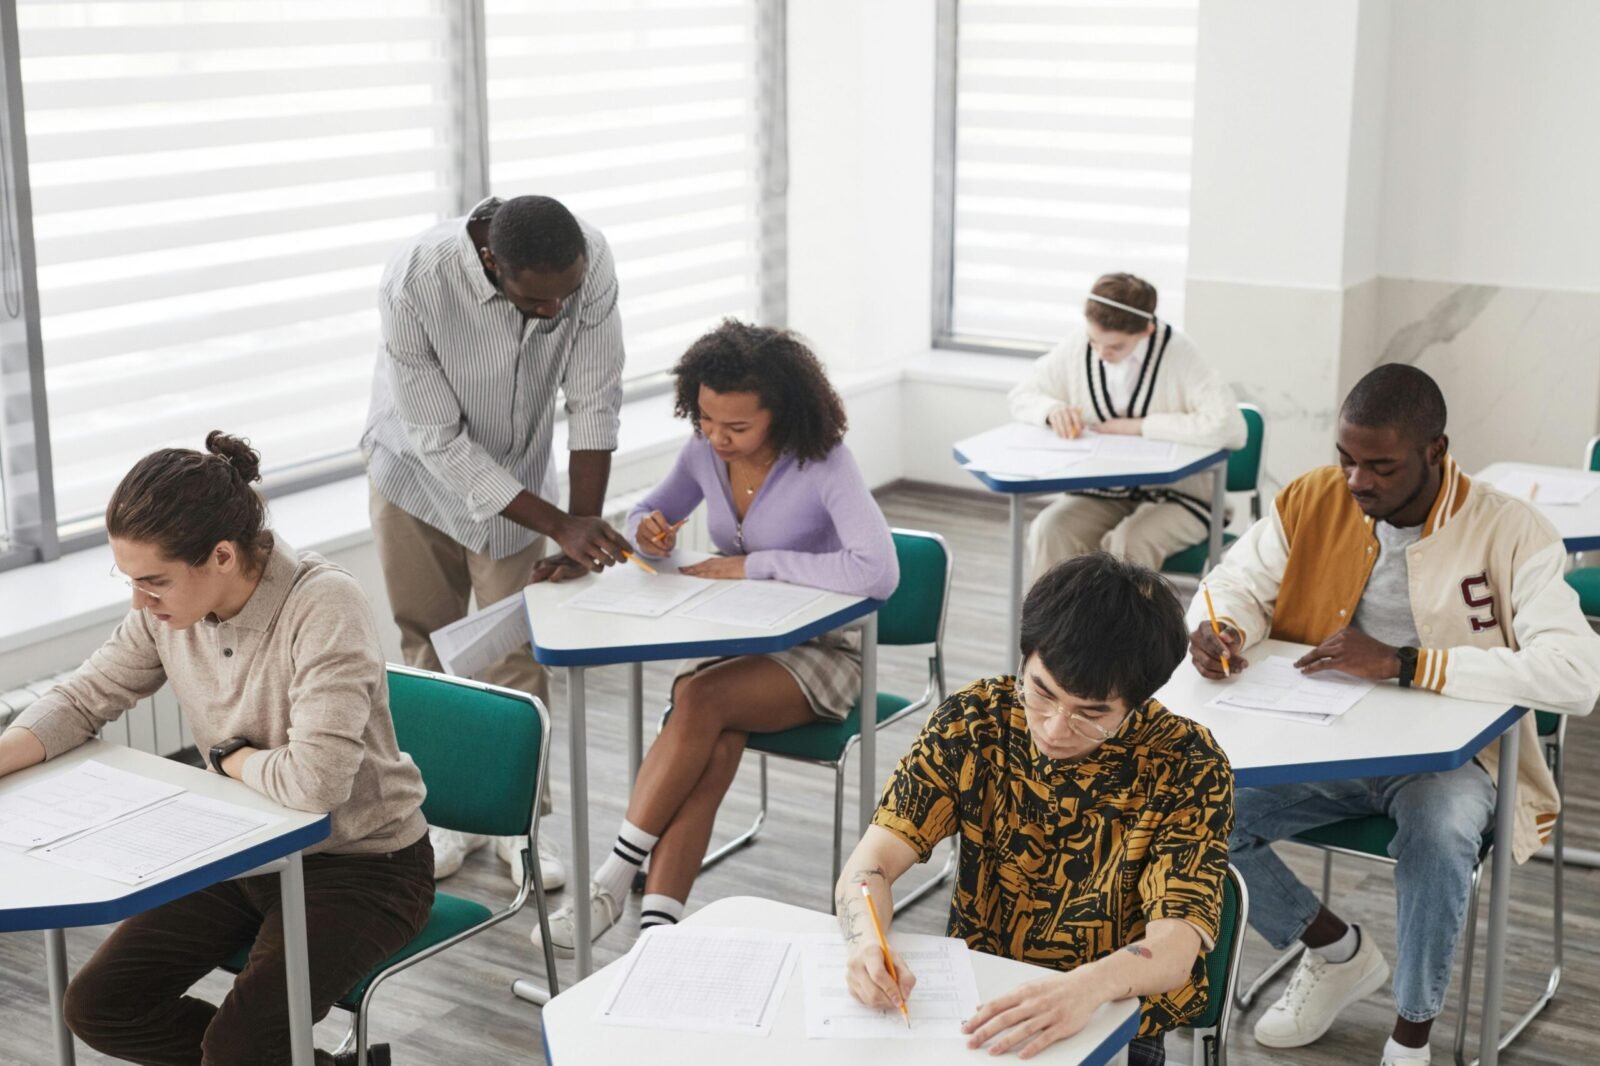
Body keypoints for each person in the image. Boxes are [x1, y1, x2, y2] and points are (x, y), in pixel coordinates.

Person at [1188, 364, 1600, 1066]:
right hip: (1321, 740)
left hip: (1455, 762)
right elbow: (1234, 583)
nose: (1357, 483)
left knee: (1439, 831)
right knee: (1196, 805)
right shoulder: (1311, 500)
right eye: (1346, 460)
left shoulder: (1511, 530)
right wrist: (1222, 626)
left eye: (1380, 466)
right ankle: (1335, 949)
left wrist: (1409, 663)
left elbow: (1577, 674)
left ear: (1435, 451)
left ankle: (1412, 1035)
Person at [0, 433, 433, 1066]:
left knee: (239, 1049)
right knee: (99, 1007)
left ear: (222, 556)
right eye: (130, 581)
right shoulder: (164, 612)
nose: (139, 602)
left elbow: (317, 783)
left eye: (153, 583)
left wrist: (231, 758)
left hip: (363, 866)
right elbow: (85, 697)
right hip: (240, 847)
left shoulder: (323, 605)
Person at [533, 319, 899, 956]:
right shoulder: (703, 453)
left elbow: (879, 571)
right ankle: (657, 934)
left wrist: (756, 563)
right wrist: (650, 530)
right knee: (717, 739)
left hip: (824, 651)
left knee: (699, 702)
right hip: (746, 642)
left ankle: (608, 884)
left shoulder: (824, 463)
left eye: (737, 427)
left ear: (780, 415)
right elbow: (647, 511)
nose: (716, 437)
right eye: (705, 418)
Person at [836, 553, 1233, 1065]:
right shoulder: (975, 722)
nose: (1054, 728)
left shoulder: (1187, 764)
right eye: (1041, 692)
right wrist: (867, 944)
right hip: (980, 997)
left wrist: (1084, 989)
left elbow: (1176, 946)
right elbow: (870, 866)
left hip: (1113, 1014)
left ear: (1139, 701)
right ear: (1024, 658)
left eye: (1091, 715)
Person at [363, 193, 635, 889]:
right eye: (536, 302)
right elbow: (437, 441)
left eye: (563, 298)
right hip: (414, 476)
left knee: (515, 651)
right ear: (492, 262)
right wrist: (560, 526)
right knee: (426, 645)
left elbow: (594, 399)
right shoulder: (416, 280)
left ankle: (520, 825)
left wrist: (580, 524)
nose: (554, 313)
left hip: (519, 483)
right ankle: (446, 814)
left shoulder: (588, 263)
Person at [1008, 272, 1245, 581]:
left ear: (1147, 330)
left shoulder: (1180, 354)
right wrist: (1051, 410)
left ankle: (1118, 631)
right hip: (1103, 492)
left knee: (1127, 546)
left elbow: (1231, 428)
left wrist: (1141, 426)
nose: (1102, 354)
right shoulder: (1081, 345)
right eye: (1095, 341)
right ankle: (1054, 630)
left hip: (1181, 498)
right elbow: (1022, 394)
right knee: (1048, 529)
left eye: (1116, 347)